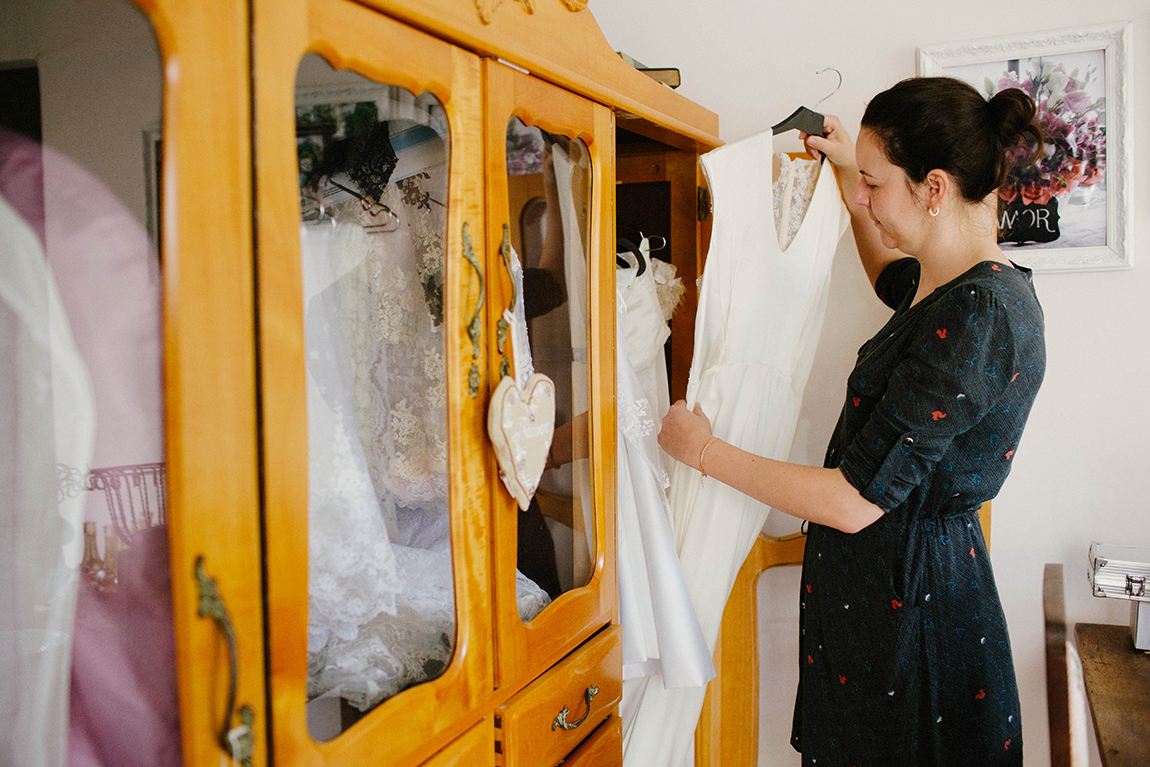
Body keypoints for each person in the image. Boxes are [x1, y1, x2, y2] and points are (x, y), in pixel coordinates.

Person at [658, 76, 1046, 765]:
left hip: (913, 611)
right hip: (895, 592)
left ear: (932, 188)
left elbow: (852, 499)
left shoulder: (980, 314)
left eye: (875, 184)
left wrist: (705, 449)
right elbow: (888, 276)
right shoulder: (953, 288)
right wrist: (845, 175)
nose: (861, 200)